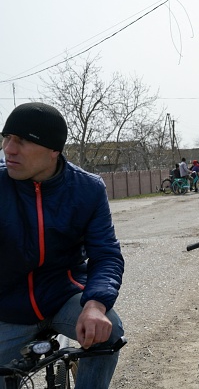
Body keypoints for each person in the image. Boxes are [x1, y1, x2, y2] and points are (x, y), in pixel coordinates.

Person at [0, 102, 125, 389]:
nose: (9, 148)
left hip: (63, 296)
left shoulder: (88, 189)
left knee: (110, 331)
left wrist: (95, 305)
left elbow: (106, 254)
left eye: (21, 140)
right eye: (6, 138)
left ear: (53, 150)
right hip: (6, 306)